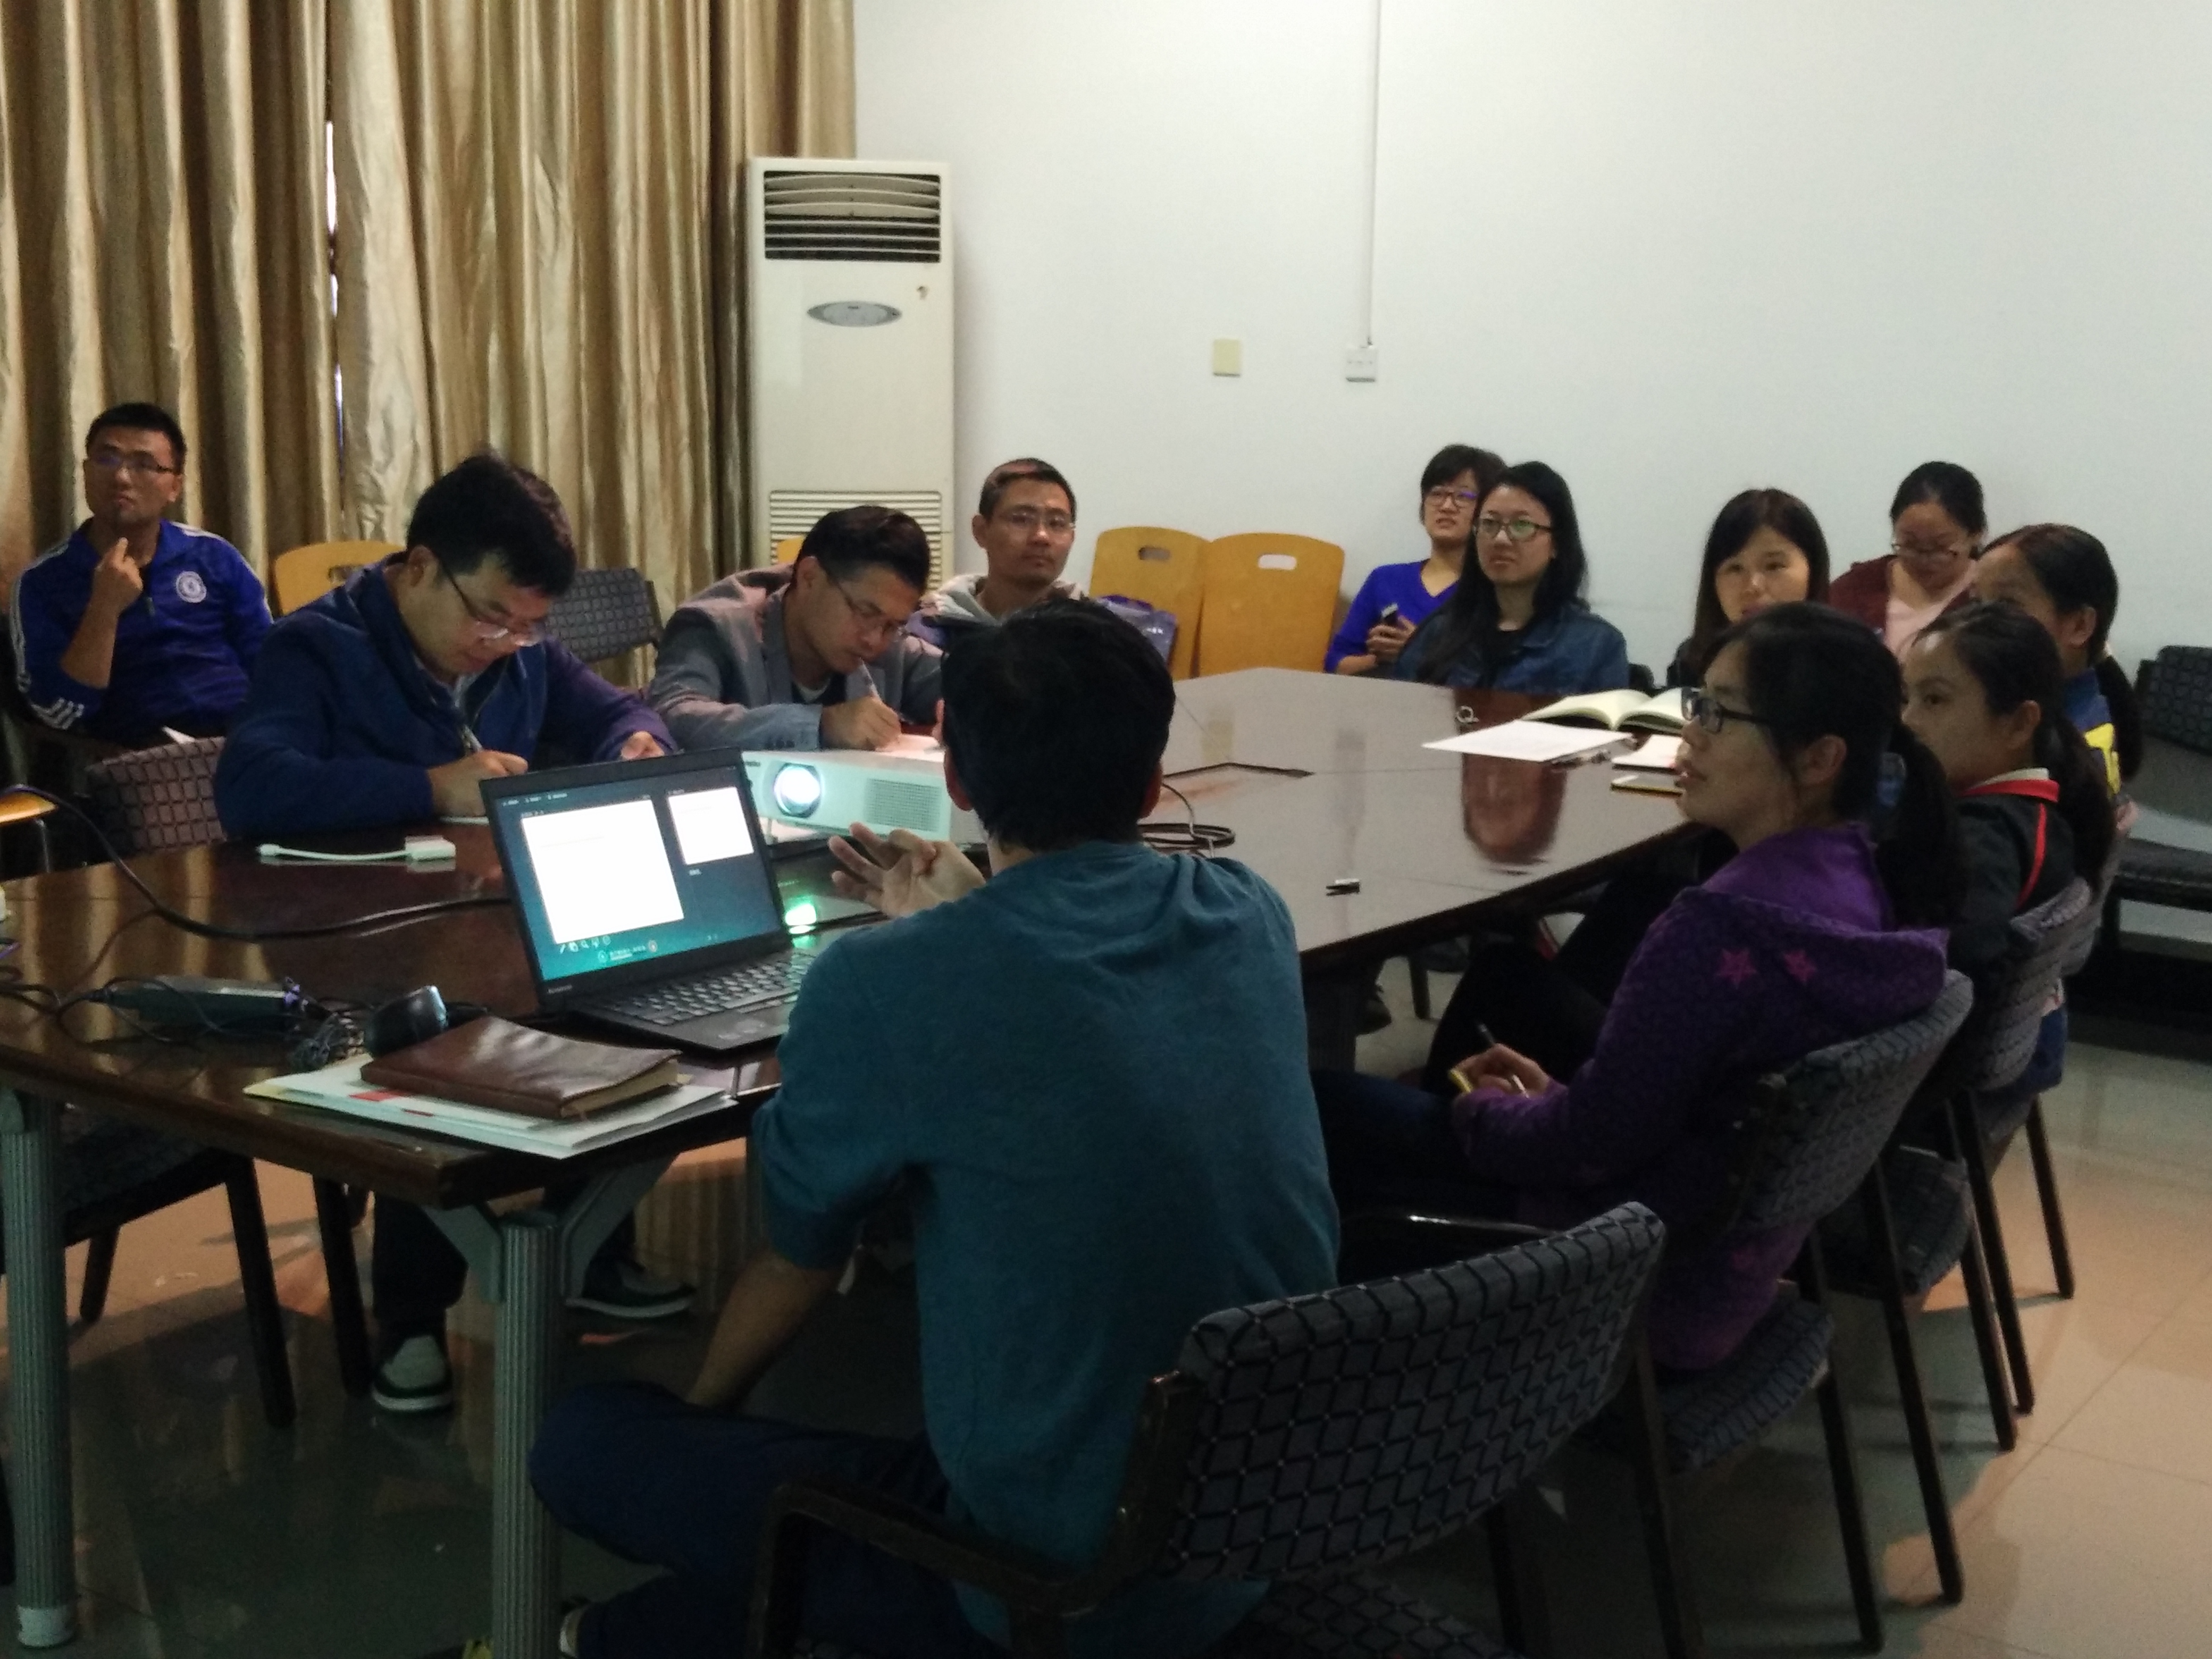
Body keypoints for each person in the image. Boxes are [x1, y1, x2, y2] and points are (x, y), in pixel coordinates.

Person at [530, 601, 1339, 1659]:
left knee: (589, 1442)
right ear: (1151, 783)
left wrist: (700, 1424)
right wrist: (967, 918)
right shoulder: (1248, 911)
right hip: (1257, 1518)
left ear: (954, 776)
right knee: (779, 1549)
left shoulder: (884, 981)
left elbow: (798, 1257)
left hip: (1046, 1584)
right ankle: (606, 1639)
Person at [1321, 604, 1960, 1374]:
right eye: (1697, 703)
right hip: (1718, 1272)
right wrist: (1553, 1100)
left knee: (1319, 1110)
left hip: (1620, 1281)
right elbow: (1642, 1120)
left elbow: (1586, 1148)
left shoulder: (1722, 928)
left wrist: (1486, 1111)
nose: (1689, 734)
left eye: (1719, 714)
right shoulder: (1865, 885)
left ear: (1820, 758)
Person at [215, 452, 683, 1413]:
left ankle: (591, 1244)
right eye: (490, 617)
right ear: (420, 566)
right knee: (436, 1022)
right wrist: (428, 786)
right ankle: (413, 1317)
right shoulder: (319, 646)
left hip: (485, 918)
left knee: (632, 989)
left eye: (527, 626)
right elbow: (251, 787)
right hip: (352, 939)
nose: (505, 642)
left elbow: (620, 710)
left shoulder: (520, 650)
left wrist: (637, 743)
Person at [11, 401, 271, 747]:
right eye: (107, 459)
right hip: (140, 754)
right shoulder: (42, 583)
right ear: (85, 472)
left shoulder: (214, 555)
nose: (121, 477)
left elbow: (269, 660)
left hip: (248, 737)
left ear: (174, 486)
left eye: (144, 465)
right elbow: (59, 712)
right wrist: (104, 607)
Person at [1901, 601, 2113, 993]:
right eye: (1905, 699)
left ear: (2018, 724)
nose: (1908, 721)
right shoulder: (2037, 816)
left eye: (1934, 700)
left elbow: (1961, 970)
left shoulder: (1985, 838)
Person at [649, 505, 942, 752]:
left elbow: (958, 679)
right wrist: (820, 725)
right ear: (809, 577)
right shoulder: (716, 626)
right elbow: (672, 717)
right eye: (865, 613)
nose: (875, 640)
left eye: (893, 626)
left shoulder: (888, 640)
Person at [1392, 461, 1631, 696]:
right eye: (1490, 524)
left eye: (1522, 525)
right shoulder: (1439, 632)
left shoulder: (1596, 644)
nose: (1501, 539)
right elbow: (1399, 710)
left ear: (1557, 543)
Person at [1972, 523, 2141, 794]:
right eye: (1975, 603)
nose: (1974, 622)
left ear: (2079, 626)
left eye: (2007, 605)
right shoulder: (2044, 704)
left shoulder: (2055, 749)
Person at [1327, 444, 1504, 674]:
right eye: (1437, 493)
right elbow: (1335, 662)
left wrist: (1418, 650)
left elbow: (1500, 674)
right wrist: (1380, 659)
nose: (1446, 506)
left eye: (1463, 496)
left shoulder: (1495, 589)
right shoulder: (1385, 579)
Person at [906, 458, 1084, 649]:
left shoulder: (1095, 630)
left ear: (1072, 537)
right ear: (981, 531)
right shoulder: (928, 634)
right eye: (1022, 520)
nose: (1041, 536)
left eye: (1057, 523)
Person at [1665, 488, 1832, 688]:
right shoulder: (1693, 662)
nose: (1753, 586)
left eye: (1774, 566)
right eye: (1735, 569)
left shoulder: (1845, 666)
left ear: (1813, 569)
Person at [1829, 461, 1983, 657]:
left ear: (1976, 535)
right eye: (1910, 544)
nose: (1924, 559)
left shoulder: (1990, 595)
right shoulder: (1855, 589)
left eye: (1940, 547)